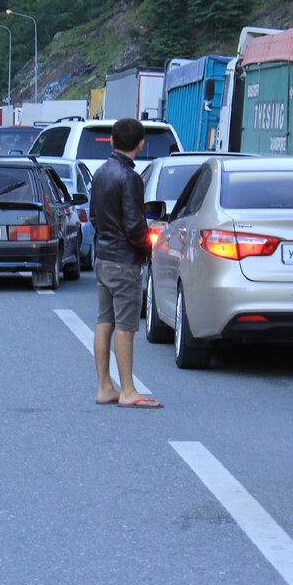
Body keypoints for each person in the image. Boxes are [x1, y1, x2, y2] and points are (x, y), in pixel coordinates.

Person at [88, 117, 160, 409]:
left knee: (104, 322)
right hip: (124, 260)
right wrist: (147, 247)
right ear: (141, 144)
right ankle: (129, 390)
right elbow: (133, 224)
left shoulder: (101, 172)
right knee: (126, 326)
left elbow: (93, 216)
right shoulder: (131, 178)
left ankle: (105, 386)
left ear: (112, 141)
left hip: (103, 256)